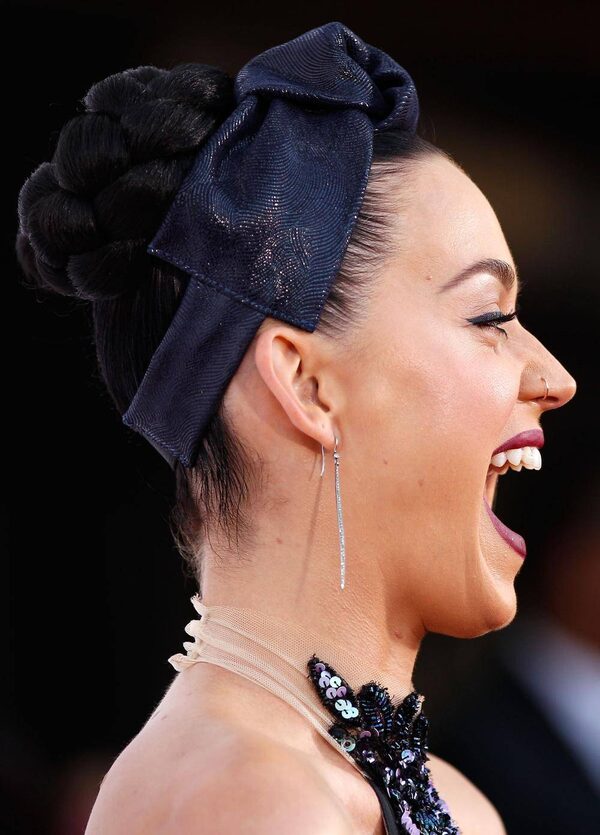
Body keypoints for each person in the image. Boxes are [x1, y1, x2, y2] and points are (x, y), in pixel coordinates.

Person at [15, 21, 577, 835]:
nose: (555, 378)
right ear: (306, 383)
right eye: (489, 317)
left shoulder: (458, 805)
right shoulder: (248, 800)